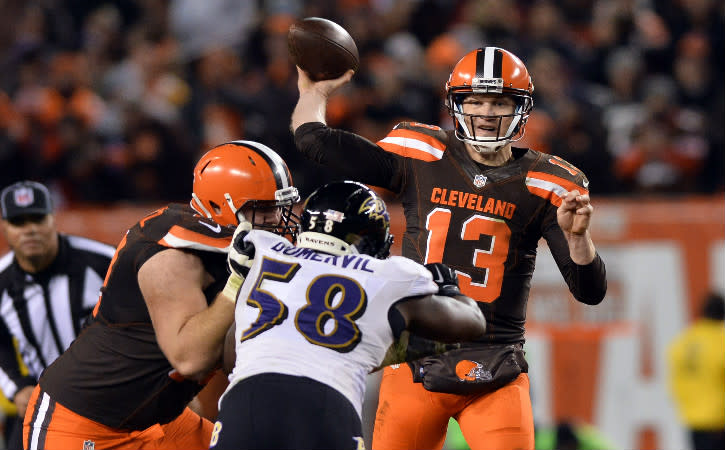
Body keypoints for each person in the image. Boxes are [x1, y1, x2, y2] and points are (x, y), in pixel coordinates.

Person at [291, 46, 608, 449]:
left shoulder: (548, 182)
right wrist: (314, 93)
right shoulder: (421, 154)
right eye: (475, 100)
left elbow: (590, 292)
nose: (487, 112)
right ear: (455, 104)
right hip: (415, 361)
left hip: (496, 367)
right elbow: (316, 141)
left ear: (521, 109)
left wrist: (579, 238)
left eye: (500, 102)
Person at [22, 140, 300, 450]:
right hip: (82, 425)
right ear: (221, 205)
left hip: (158, 421)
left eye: (279, 206)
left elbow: (229, 355)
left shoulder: (233, 249)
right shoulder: (169, 255)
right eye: (263, 208)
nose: (276, 219)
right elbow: (191, 360)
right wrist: (236, 285)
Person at [210, 180, 486, 450]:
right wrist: (448, 288)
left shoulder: (264, 252)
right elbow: (471, 324)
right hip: (326, 405)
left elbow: (229, 359)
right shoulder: (389, 276)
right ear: (370, 238)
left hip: (246, 400)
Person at [0, 180, 115, 450]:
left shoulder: (103, 263)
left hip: (108, 397)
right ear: (5, 227)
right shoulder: (2, 282)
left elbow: (146, 324)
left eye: (38, 219)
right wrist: (16, 387)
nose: (30, 230)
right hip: (42, 403)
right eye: (19, 222)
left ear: (54, 219)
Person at [667, 291, 725, 450]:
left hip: (692, 420)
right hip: (718, 423)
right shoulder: (720, 340)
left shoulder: (683, 342)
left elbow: (676, 380)